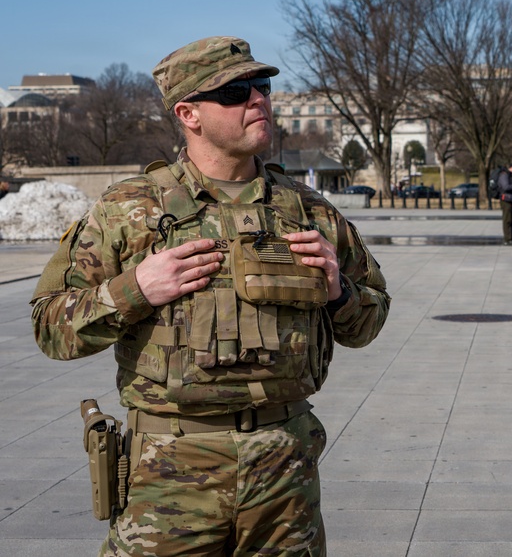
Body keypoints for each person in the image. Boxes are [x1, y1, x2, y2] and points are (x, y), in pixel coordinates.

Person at [31, 36, 390, 556]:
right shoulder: (127, 212)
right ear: (188, 114)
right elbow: (49, 328)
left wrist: (339, 292)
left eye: (262, 86)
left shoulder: (309, 212)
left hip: (283, 474)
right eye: (236, 91)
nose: (258, 100)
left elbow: (370, 322)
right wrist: (134, 289)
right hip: (170, 474)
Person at [497, 162, 512, 245]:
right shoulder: (504, 175)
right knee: (508, 220)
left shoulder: (511, 176)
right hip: (506, 200)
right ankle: (508, 239)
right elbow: (506, 187)